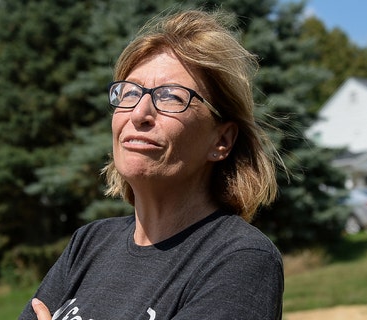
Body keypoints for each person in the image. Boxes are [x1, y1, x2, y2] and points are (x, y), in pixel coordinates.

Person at [19, 9, 284, 320]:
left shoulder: (239, 258)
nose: (139, 113)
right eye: (129, 93)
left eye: (171, 96)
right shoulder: (89, 244)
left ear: (221, 140)